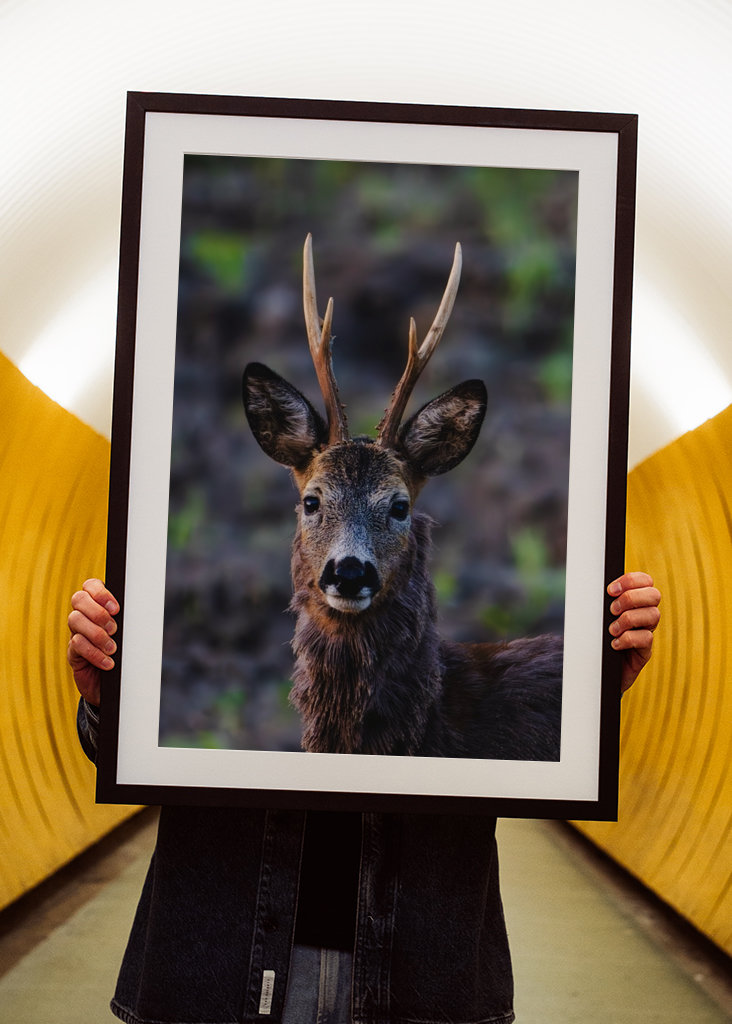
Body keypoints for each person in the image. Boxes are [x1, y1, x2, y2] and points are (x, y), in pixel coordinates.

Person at [68, 572, 661, 1024]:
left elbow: (529, 728)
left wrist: (591, 690)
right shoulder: (214, 631)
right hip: (221, 960)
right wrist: (109, 701)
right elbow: (127, 752)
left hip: (419, 968)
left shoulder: (463, 683)